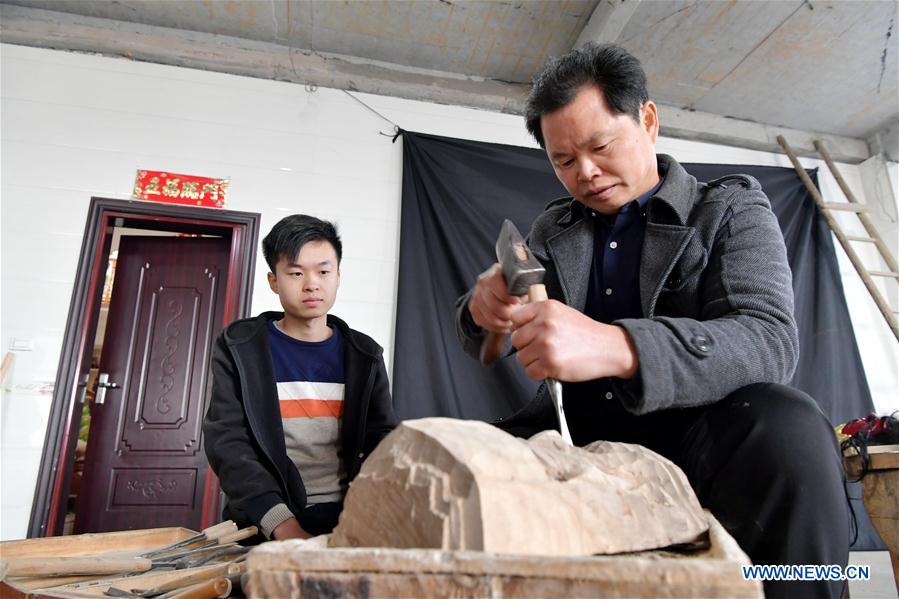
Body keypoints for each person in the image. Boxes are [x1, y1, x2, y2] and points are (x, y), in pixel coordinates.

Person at [455, 43, 847, 598]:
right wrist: (484, 310)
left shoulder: (729, 209)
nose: (585, 173)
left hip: (699, 433)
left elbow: (767, 339)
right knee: (436, 455)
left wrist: (620, 347)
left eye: (600, 146)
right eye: (563, 161)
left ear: (648, 119)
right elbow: (483, 347)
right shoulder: (552, 230)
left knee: (788, 427)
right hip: (577, 434)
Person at [204, 214, 397, 541]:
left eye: (323, 271)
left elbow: (381, 440)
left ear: (338, 276)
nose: (312, 283)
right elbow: (228, 443)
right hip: (265, 522)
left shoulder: (364, 355)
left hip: (349, 521)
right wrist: (283, 525)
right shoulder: (240, 347)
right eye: (295, 273)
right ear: (273, 281)